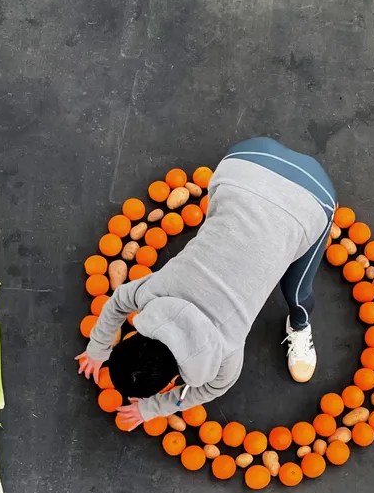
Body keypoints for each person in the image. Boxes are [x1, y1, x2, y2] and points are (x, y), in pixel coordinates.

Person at [76, 137, 337, 430]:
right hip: (247, 160)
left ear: (174, 379)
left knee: (297, 290)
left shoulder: (226, 357)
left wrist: (150, 409)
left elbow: (208, 390)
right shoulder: (152, 294)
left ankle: (299, 323)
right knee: (224, 216)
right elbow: (118, 303)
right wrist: (98, 349)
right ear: (136, 333)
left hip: (313, 195)